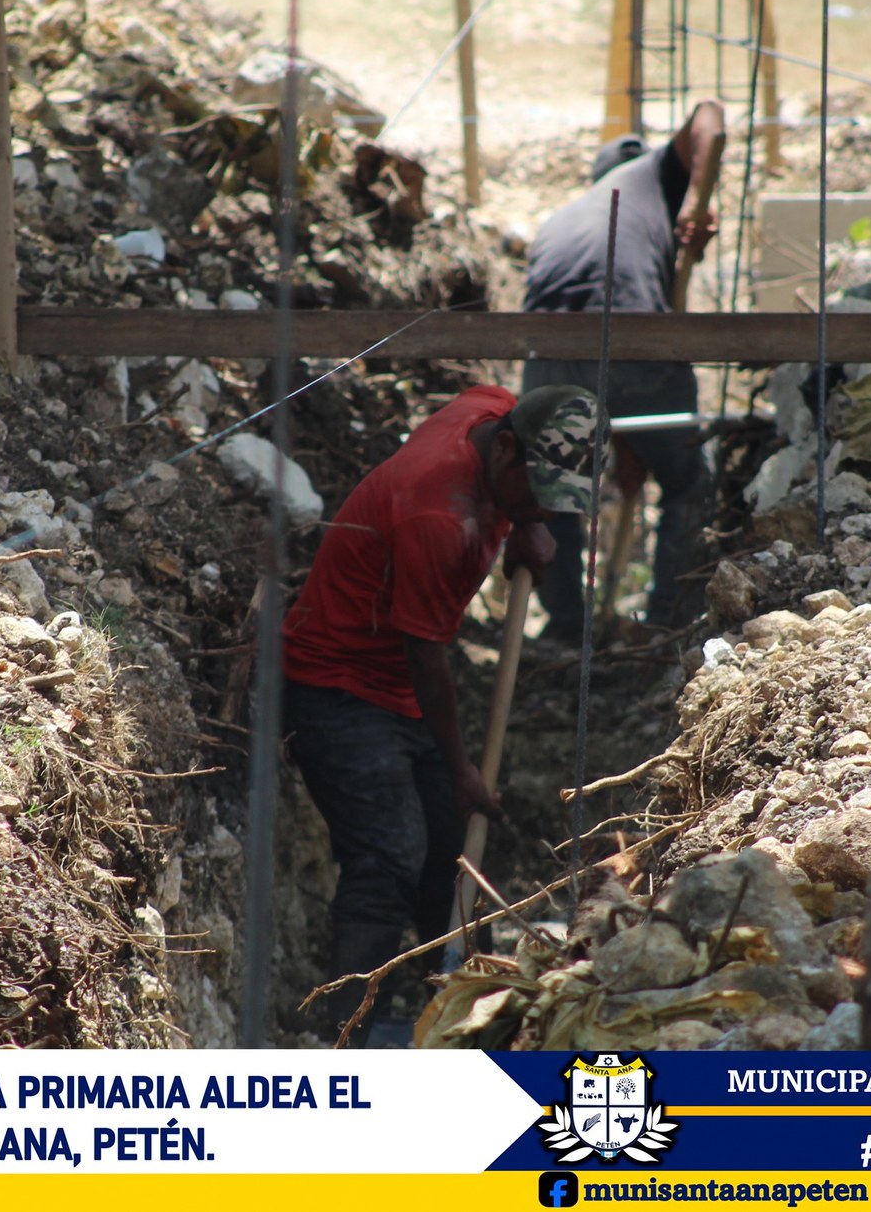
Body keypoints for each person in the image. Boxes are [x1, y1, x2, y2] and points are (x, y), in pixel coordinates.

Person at [280, 384, 599, 1042]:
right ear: (504, 450)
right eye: (538, 493)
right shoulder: (438, 514)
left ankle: (465, 1018)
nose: (546, 508)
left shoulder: (492, 413)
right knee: (389, 856)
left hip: (398, 682)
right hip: (339, 684)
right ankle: (341, 1038)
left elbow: (509, 415)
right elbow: (426, 658)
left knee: (453, 859)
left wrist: (527, 521)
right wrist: (461, 773)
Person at [518, 100, 726, 640]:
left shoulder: (563, 216)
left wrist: (626, 441)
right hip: (635, 341)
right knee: (687, 483)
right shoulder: (652, 175)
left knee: (554, 492)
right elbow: (710, 114)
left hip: (548, 353)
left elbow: (592, 369)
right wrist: (695, 203)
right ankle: (667, 625)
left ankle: (566, 629)